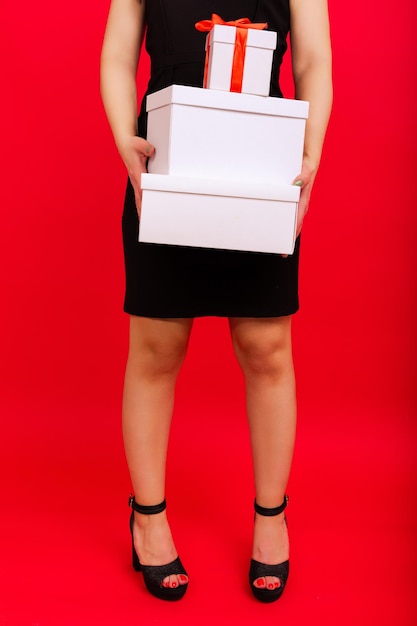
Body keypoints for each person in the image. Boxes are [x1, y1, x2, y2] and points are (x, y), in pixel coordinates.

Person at [100, 0, 332, 603]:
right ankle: (147, 518)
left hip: (262, 166)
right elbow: (118, 54)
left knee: (267, 346)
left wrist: (310, 157)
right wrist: (126, 143)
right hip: (166, 167)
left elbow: (311, 60)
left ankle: (271, 516)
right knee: (157, 343)